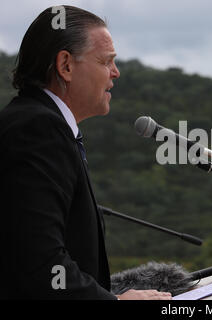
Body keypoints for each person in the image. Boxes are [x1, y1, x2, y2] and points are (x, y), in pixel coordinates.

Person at [0, 5, 171, 300]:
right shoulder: (38, 129)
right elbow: (40, 263)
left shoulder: (37, 122)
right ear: (66, 65)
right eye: (106, 62)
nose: (116, 73)